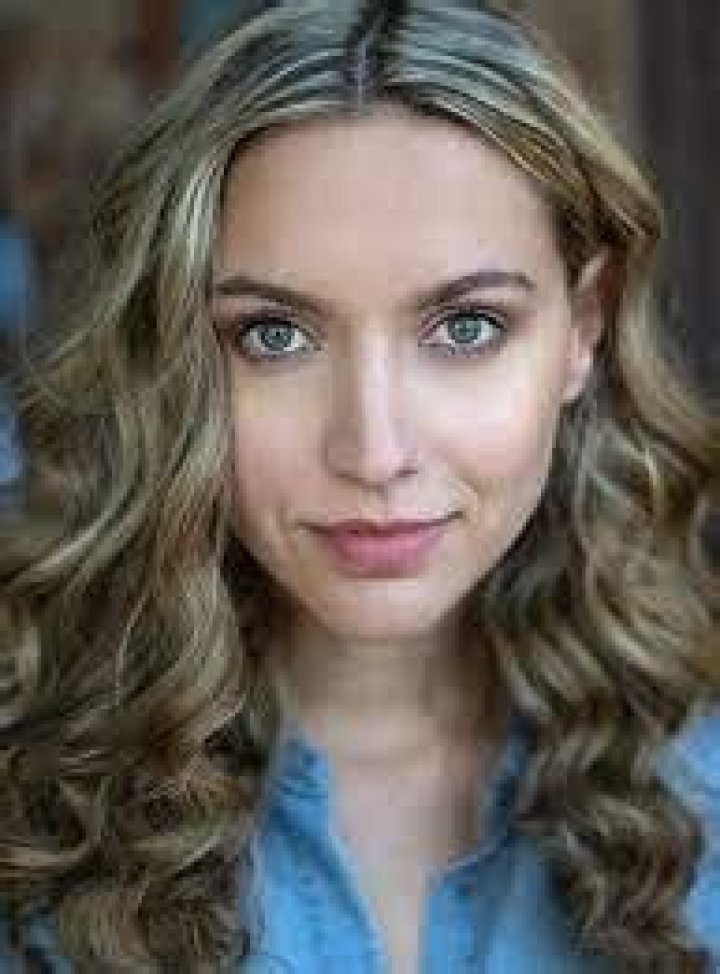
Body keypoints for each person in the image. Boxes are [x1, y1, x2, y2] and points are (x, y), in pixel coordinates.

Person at [1, 1, 718, 970]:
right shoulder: (32, 804)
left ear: (583, 327)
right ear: (171, 354)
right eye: (275, 335)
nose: (375, 452)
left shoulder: (705, 796)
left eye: (465, 327)